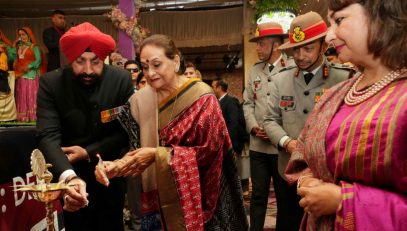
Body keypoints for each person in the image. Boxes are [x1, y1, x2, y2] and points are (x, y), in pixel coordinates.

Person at [95, 34, 248, 230]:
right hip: (154, 197)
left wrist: (157, 154)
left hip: (197, 198)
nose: (150, 73)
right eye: (144, 67)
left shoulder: (202, 98)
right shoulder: (140, 100)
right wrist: (114, 164)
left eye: (157, 65)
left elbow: (211, 151)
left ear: (175, 61)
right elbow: (126, 141)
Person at [284, 1, 407, 230]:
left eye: (339, 20)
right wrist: (308, 181)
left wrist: (344, 201)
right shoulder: (337, 94)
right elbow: (303, 154)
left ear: (381, 16)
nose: (329, 36)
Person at [36, 22, 134, 231]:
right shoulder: (51, 83)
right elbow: (47, 135)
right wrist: (68, 178)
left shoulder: (121, 79)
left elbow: (125, 132)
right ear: (71, 58)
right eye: (80, 61)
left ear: (104, 59)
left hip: (110, 173)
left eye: (95, 62)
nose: (88, 70)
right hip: (71, 173)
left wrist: (87, 152)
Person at [262, 11, 352, 231]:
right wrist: (286, 142)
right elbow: (269, 119)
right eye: (296, 49)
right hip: (289, 169)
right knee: (288, 221)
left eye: (308, 48)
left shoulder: (344, 78)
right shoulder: (280, 79)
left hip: (328, 173)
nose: (300, 55)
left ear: (323, 46)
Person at [243, 21, 294, 231]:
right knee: (258, 196)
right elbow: (247, 103)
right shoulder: (255, 71)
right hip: (258, 146)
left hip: (281, 148)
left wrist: (276, 133)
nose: (257, 48)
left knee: (284, 198)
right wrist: (254, 127)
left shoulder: (292, 68)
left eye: (261, 44)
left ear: (275, 45)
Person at [213, 79, 250, 194]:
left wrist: (229, 143)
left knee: (236, 169)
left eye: (213, 86)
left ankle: (239, 193)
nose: (212, 89)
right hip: (222, 143)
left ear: (219, 88)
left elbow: (233, 124)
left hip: (231, 142)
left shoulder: (230, 101)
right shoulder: (219, 101)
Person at [11, 27, 44, 122]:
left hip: (31, 75)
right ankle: (22, 117)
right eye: (20, 35)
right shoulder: (19, 47)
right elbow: (13, 57)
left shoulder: (34, 47)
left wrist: (29, 66)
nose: (22, 37)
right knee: (22, 95)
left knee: (30, 95)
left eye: (23, 34)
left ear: (29, 35)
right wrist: (14, 44)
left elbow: (38, 60)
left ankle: (33, 116)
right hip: (21, 75)